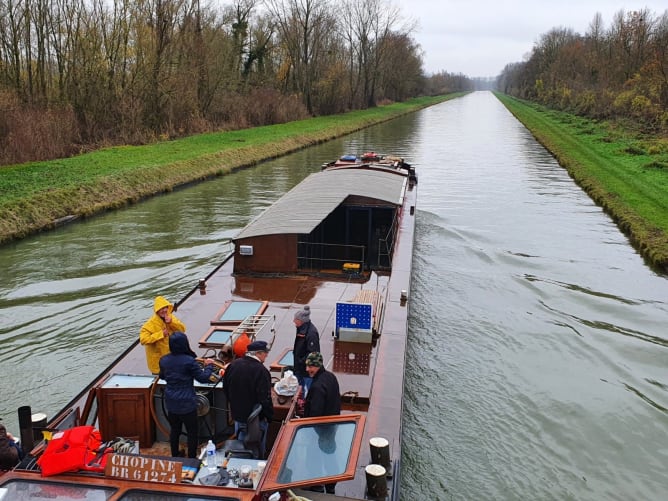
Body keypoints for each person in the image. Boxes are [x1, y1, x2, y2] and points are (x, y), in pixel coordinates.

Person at [158, 331, 219, 458]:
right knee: (192, 432)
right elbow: (202, 378)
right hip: (187, 404)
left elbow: (162, 376)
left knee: (175, 430)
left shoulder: (164, 360)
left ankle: (175, 455)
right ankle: (191, 457)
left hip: (171, 403)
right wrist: (209, 366)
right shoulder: (189, 361)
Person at [223, 340, 274, 458]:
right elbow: (264, 398)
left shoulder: (233, 365)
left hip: (238, 417)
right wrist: (270, 416)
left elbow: (226, 389)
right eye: (265, 353)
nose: (266, 355)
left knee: (240, 446)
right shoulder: (262, 371)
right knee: (256, 450)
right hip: (256, 421)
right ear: (258, 353)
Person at [303, 352, 341, 494]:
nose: (308, 369)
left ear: (318, 366)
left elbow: (315, 414)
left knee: (313, 457)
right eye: (307, 366)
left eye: (311, 366)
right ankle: (331, 485)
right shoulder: (331, 377)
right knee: (329, 454)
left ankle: (316, 486)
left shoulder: (318, 387)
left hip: (320, 430)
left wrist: (307, 430)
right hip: (332, 425)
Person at [140, 296, 187, 374]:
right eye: (162, 308)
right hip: (158, 362)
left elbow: (182, 330)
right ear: (157, 310)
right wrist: (161, 334)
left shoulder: (171, 318)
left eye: (166, 308)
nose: (164, 310)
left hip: (172, 358)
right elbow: (143, 340)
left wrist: (172, 323)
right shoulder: (149, 325)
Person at [292, 305, 320, 393]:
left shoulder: (311, 333)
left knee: (307, 391)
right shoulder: (301, 329)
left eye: (296, 319)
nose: (293, 321)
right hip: (299, 368)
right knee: (299, 390)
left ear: (301, 321)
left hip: (305, 372)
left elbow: (313, 353)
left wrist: (300, 361)